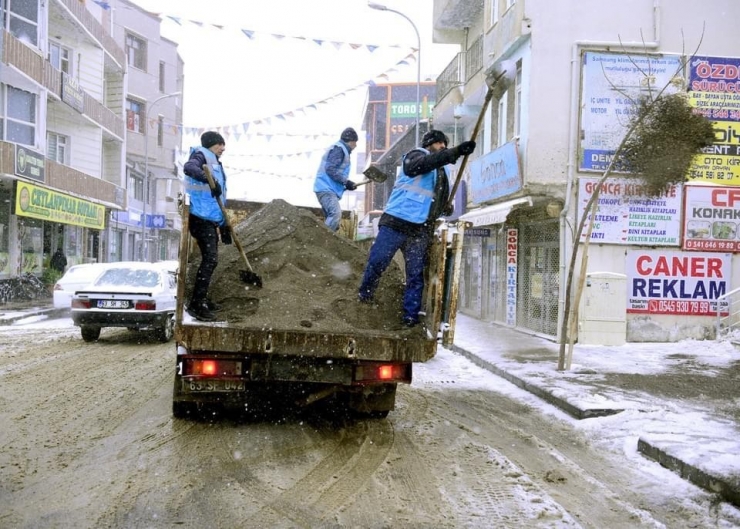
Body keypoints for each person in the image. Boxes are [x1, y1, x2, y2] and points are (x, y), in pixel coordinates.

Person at [357, 130, 476, 327]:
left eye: (445, 145)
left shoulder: (443, 171)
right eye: (439, 144)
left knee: (415, 275)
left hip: (420, 228)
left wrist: (445, 207)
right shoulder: (414, 156)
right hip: (396, 221)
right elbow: (421, 166)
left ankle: (410, 317)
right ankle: (365, 296)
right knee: (377, 262)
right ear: (429, 144)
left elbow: (437, 198)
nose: (443, 147)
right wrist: (455, 151)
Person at [183, 131, 233, 321]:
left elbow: (216, 200)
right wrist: (208, 179)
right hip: (200, 217)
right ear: (212, 144)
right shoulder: (201, 155)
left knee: (211, 259)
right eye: (220, 144)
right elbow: (189, 167)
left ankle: (200, 299)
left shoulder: (214, 161)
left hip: (209, 218)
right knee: (210, 259)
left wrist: (223, 225)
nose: (223, 148)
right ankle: (197, 303)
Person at [313, 127, 359, 231]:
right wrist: (345, 182)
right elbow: (330, 169)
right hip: (326, 189)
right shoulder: (339, 149)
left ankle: (326, 242)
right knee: (335, 215)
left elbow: (334, 172)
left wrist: (346, 185)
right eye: (355, 142)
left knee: (333, 222)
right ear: (350, 141)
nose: (355, 145)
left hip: (326, 188)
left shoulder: (340, 149)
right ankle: (323, 240)